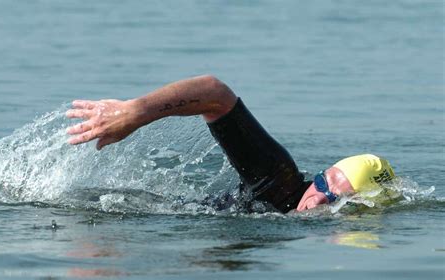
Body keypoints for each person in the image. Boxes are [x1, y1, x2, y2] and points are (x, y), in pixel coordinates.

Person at [66, 75, 396, 213]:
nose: (318, 198)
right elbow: (215, 94)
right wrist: (136, 112)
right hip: (109, 207)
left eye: (336, 198)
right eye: (323, 182)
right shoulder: (280, 182)